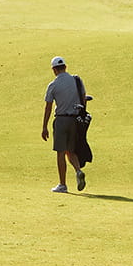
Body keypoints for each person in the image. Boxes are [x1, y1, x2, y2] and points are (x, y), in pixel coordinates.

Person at [41, 56, 92, 193]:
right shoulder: (76, 80)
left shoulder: (53, 85)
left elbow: (48, 107)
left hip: (61, 120)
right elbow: (83, 98)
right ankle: (78, 171)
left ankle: (62, 184)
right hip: (75, 120)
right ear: (65, 67)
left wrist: (44, 126)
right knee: (71, 150)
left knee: (61, 153)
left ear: (54, 70)